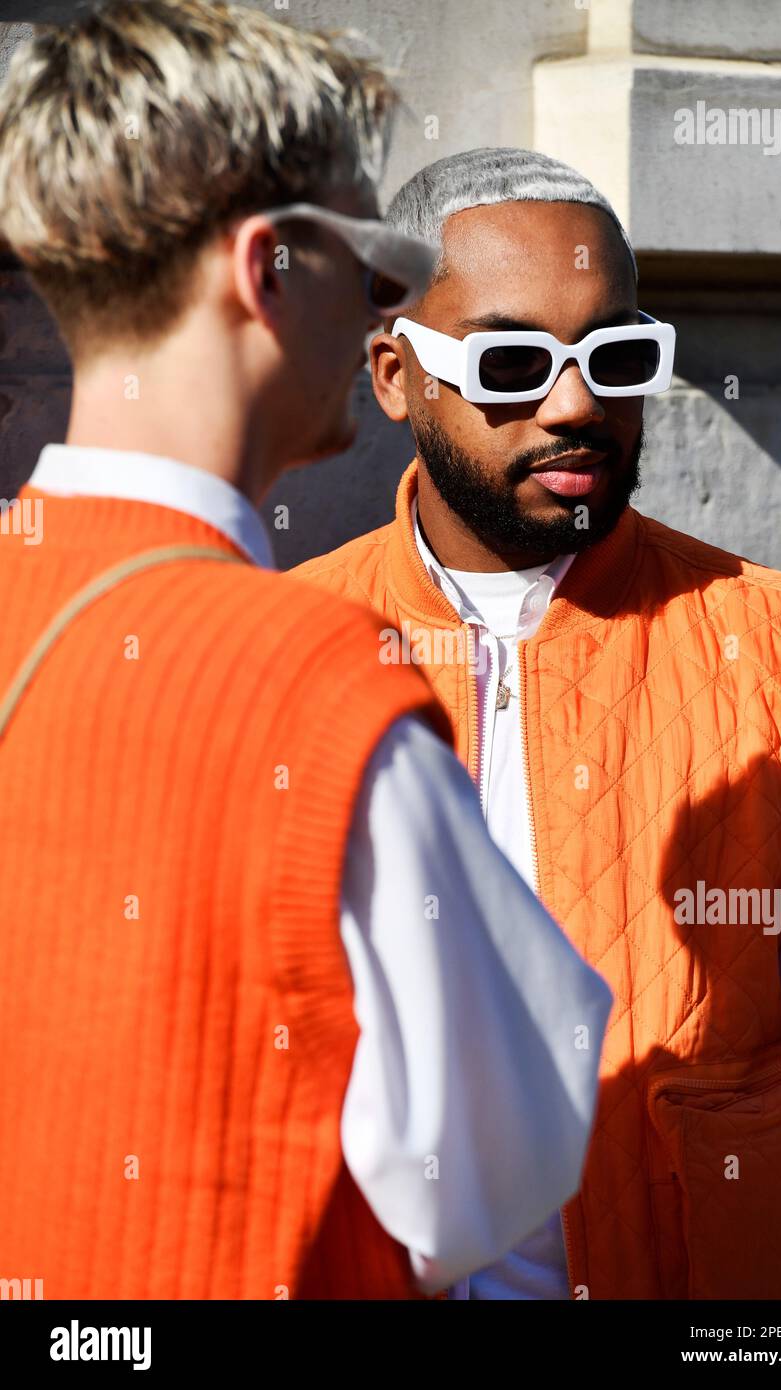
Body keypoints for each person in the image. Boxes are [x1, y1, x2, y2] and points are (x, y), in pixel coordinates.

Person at [0, 12, 613, 1300]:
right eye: (377, 257)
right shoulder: (317, 681)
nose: (390, 304)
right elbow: (499, 1164)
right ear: (269, 268)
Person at [291, 144, 781, 1300]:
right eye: (510, 363)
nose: (574, 404)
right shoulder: (278, 653)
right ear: (395, 374)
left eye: (612, 356)